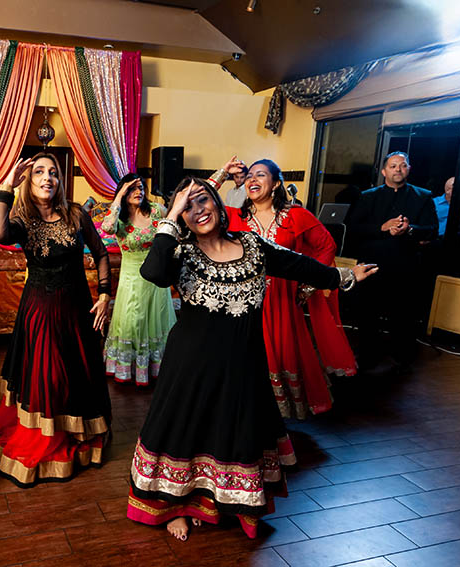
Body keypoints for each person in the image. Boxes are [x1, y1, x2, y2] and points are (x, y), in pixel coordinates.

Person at [127, 177, 377, 541]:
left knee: (229, 432)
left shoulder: (250, 245)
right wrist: (172, 214)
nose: (199, 211)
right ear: (180, 216)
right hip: (191, 367)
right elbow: (153, 272)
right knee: (182, 435)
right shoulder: (181, 255)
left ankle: (213, 503)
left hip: (243, 364)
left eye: (204, 201)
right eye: (189, 206)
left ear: (218, 202)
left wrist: (344, 277)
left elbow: (298, 266)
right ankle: (173, 507)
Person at [0, 152, 113, 486]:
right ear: (29, 180)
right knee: (49, 376)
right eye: (39, 172)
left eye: (52, 172)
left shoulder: (76, 214)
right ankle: (47, 436)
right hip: (40, 311)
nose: (47, 177)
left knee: (77, 373)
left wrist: (106, 295)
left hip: (78, 309)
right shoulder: (22, 220)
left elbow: (101, 253)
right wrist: (6, 187)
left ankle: (74, 430)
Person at [215, 158, 357, 419]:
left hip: (282, 299)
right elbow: (196, 198)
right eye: (249, 176)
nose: (252, 180)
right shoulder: (236, 218)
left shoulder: (296, 216)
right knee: (247, 355)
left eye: (260, 175)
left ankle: (278, 415)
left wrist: (310, 286)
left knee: (281, 353)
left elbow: (327, 246)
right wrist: (223, 172)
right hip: (246, 302)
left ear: (276, 183)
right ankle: (246, 409)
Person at [347, 151, 437, 370]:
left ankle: (402, 356)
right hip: (372, 264)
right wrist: (382, 227)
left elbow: (432, 230)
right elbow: (353, 229)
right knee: (368, 313)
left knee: (404, 314)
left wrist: (410, 230)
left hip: (405, 264)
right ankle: (368, 353)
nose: (398, 169)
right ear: (384, 171)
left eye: (403, 165)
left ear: (409, 169)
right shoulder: (367, 196)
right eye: (393, 166)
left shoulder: (423, 196)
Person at [101, 173, 176, 385]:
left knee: (157, 322)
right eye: (132, 188)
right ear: (123, 191)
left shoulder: (157, 211)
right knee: (131, 322)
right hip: (131, 278)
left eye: (141, 187)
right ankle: (127, 370)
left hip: (156, 278)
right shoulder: (119, 218)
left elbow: (173, 232)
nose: (139, 191)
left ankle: (155, 369)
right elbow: (106, 228)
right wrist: (118, 198)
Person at [433, 176, 460, 249]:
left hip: (455, 243)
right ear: (447, 189)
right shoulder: (434, 203)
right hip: (434, 241)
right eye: (453, 187)